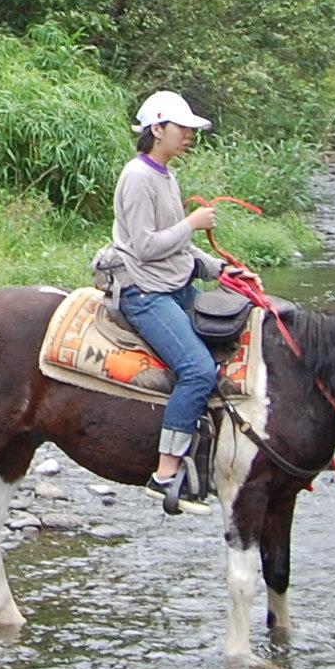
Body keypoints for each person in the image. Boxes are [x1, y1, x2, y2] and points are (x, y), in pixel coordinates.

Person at [110, 89, 226, 513]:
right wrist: (193, 224)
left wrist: (219, 269)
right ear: (157, 129)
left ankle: (211, 451)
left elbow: (176, 247)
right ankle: (163, 475)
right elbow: (144, 246)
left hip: (173, 284)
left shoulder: (165, 174)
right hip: (144, 291)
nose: (189, 136)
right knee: (198, 369)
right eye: (183, 128)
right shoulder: (139, 177)